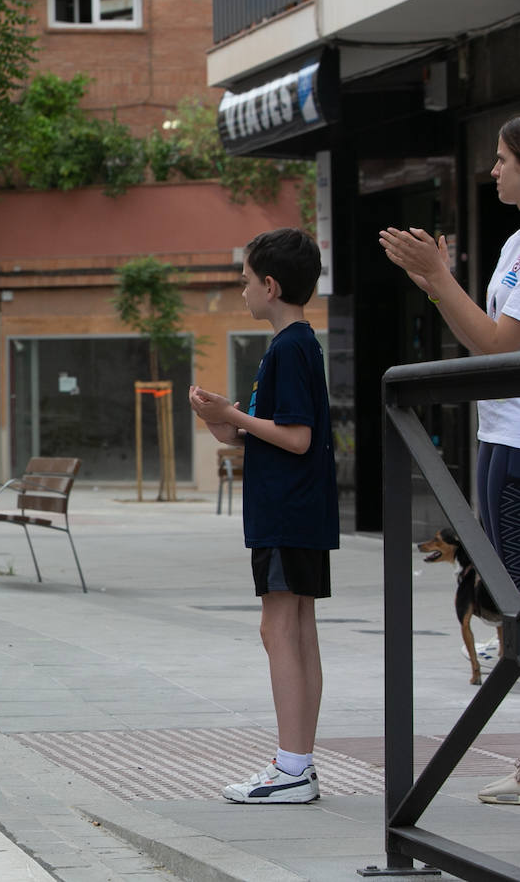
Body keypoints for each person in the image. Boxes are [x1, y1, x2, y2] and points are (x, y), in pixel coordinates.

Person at [379, 113, 520, 806]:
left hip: (519, 441)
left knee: (516, 603)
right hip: (501, 435)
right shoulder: (515, 244)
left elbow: (497, 346)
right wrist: (436, 282)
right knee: (510, 600)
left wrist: (438, 276)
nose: (494, 170)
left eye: (503, 158)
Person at [189, 227, 337, 804]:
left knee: (281, 630)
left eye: (246, 280)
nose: (242, 290)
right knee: (296, 631)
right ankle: (298, 762)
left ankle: (292, 766)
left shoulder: (290, 348)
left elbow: (296, 438)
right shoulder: (297, 345)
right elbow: (268, 433)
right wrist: (220, 417)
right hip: (299, 512)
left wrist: (236, 418)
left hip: (288, 513)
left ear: (270, 285)